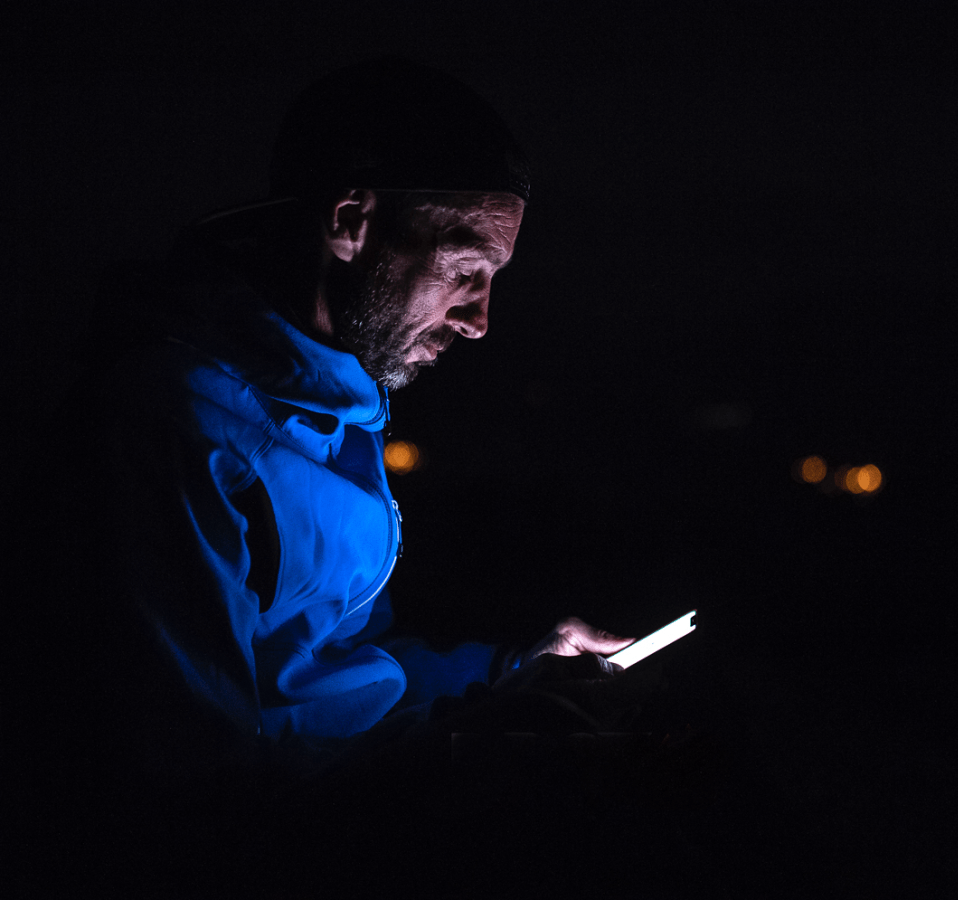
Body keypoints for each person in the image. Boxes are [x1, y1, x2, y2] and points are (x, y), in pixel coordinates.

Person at [13, 57, 663, 890]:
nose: (479, 322)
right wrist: (469, 750)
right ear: (351, 222)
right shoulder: (177, 428)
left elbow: (332, 667)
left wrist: (511, 674)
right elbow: (193, 806)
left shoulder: (336, 409)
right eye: (465, 270)